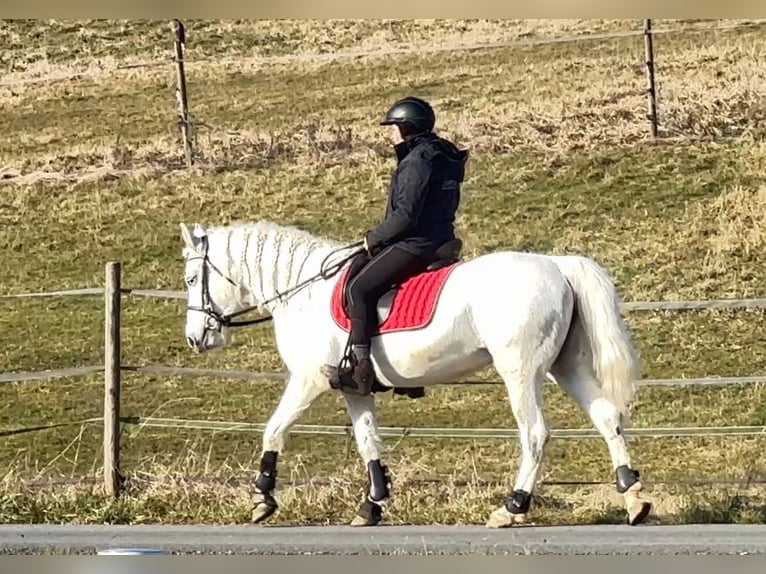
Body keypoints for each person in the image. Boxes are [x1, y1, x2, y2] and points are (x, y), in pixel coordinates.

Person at [341, 96, 470, 396]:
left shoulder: (417, 161)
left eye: (393, 127)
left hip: (417, 243)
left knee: (358, 289)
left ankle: (360, 370)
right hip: (440, 237)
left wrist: (372, 239)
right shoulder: (440, 153)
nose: (390, 134)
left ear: (405, 128)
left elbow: (405, 216)